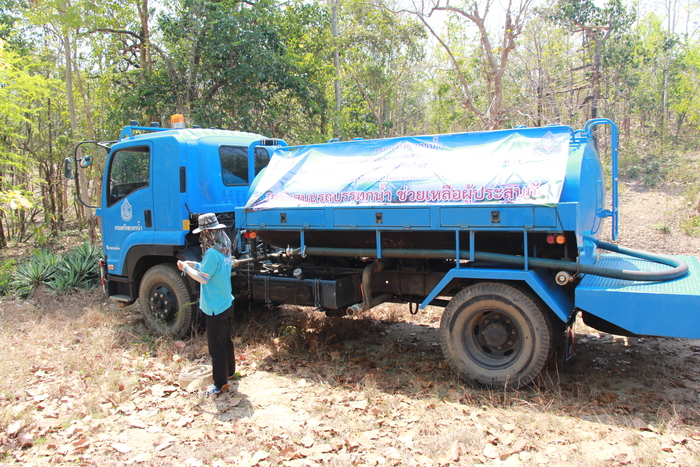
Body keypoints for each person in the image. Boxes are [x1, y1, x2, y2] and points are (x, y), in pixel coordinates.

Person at [177, 213, 235, 395]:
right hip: (226, 301)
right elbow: (210, 268)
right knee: (226, 341)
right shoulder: (224, 249)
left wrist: (186, 268)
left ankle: (219, 384)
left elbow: (203, 278)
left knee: (216, 347)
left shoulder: (210, 253)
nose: (202, 237)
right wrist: (194, 264)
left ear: (208, 233)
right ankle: (229, 372)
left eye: (203, 233)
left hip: (214, 306)